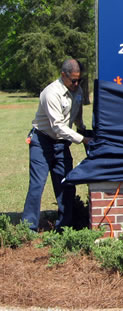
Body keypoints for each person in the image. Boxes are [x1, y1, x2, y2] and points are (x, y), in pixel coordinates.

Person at [22, 59, 91, 232]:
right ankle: (28, 229)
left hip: (61, 144)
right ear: (63, 75)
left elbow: (76, 115)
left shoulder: (78, 90)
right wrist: (82, 139)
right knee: (37, 185)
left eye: (79, 80)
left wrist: (82, 128)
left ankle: (64, 228)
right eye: (73, 80)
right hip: (42, 142)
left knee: (66, 184)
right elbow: (57, 126)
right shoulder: (51, 93)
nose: (76, 84)